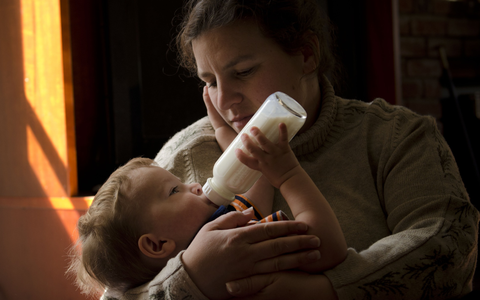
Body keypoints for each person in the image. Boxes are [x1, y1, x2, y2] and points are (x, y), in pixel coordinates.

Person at [103, 0, 479, 299]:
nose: (226, 99)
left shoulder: (396, 138)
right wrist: (193, 280)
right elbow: (115, 292)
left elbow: (449, 252)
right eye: (210, 81)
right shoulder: (178, 160)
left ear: (306, 54)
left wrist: (324, 291)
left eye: (244, 71)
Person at [69, 122, 347, 298]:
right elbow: (326, 247)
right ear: (157, 244)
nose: (194, 185)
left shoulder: (222, 219)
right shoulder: (233, 248)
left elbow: (256, 182)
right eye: (174, 191)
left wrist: (225, 130)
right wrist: (288, 175)